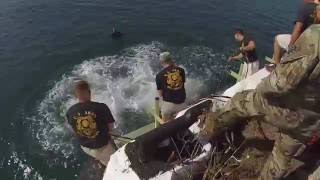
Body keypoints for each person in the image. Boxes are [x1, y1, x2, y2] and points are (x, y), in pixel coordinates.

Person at [201, 25, 320, 179]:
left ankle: (208, 132)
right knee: (281, 159)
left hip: (281, 108)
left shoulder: (316, 35)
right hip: (309, 122)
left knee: (239, 102)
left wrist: (261, 89)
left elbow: (282, 83)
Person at [66, 80, 116, 166]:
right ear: (89, 92)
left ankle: (100, 159)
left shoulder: (70, 112)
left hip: (85, 147)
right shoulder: (101, 107)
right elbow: (110, 127)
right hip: (102, 146)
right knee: (114, 163)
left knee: (100, 156)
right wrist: (110, 138)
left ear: (76, 95)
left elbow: (75, 128)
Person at [156, 52, 186, 124]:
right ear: (171, 59)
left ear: (161, 62)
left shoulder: (159, 75)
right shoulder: (181, 70)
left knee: (158, 100)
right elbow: (182, 84)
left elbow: (160, 94)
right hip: (182, 104)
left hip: (168, 107)